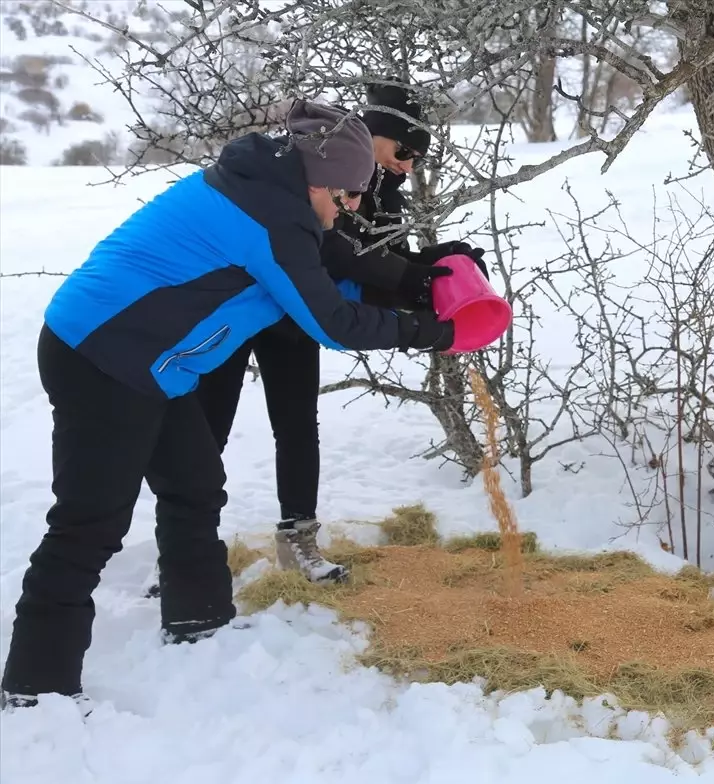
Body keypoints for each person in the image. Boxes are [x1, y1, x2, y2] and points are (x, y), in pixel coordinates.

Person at [0, 98, 457, 711]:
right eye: (345, 198)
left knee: (193, 484)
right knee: (90, 522)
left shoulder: (274, 188)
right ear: (319, 181)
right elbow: (333, 320)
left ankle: (199, 621)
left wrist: (415, 281)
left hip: (155, 361)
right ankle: (37, 686)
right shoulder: (269, 214)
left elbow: (329, 252)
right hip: (101, 355)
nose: (347, 210)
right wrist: (437, 332)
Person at [142, 82, 490, 591]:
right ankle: (182, 551)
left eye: (418, 158)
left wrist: (434, 264)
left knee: (298, 425)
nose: (409, 166)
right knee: (208, 428)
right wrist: (408, 277)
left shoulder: (384, 194)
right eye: (404, 151)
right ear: (374, 134)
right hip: (238, 313)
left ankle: (299, 540)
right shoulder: (313, 172)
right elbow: (330, 251)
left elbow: (377, 269)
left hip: (297, 320)